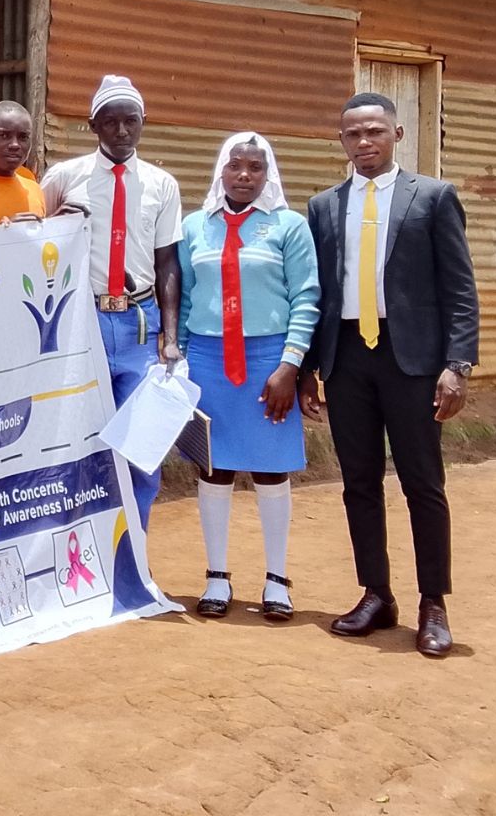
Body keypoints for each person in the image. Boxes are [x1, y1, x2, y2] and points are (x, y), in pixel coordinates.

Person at [302, 91, 478, 658]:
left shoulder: (432, 197)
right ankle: (376, 594)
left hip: (413, 362)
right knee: (358, 482)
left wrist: (457, 366)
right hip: (348, 356)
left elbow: (459, 288)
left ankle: (433, 603)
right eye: (353, 134)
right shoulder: (324, 206)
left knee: (423, 483)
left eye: (375, 131)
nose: (364, 142)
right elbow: (318, 293)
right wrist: (308, 367)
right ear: (342, 141)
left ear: (397, 135)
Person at [176, 132, 319, 623]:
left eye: (255, 168)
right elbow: (187, 296)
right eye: (235, 166)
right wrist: (180, 358)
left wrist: (290, 365)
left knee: (268, 468)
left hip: (267, 362)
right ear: (220, 170)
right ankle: (217, 575)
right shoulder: (195, 226)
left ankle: (276, 578)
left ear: (268, 173)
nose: (243, 176)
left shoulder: (288, 226)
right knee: (213, 468)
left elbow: (306, 297)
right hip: (208, 360)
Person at [39, 75, 183, 531]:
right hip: (84, 322)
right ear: (93, 125)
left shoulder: (161, 184)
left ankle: (134, 551)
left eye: (131, 122)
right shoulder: (64, 178)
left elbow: (168, 264)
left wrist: (170, 336)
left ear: (144, 123)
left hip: (140, 325)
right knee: (77, 438)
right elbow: (37, 245)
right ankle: (80, 548)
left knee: (142, 444)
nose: (122, 131)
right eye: (111, 122)